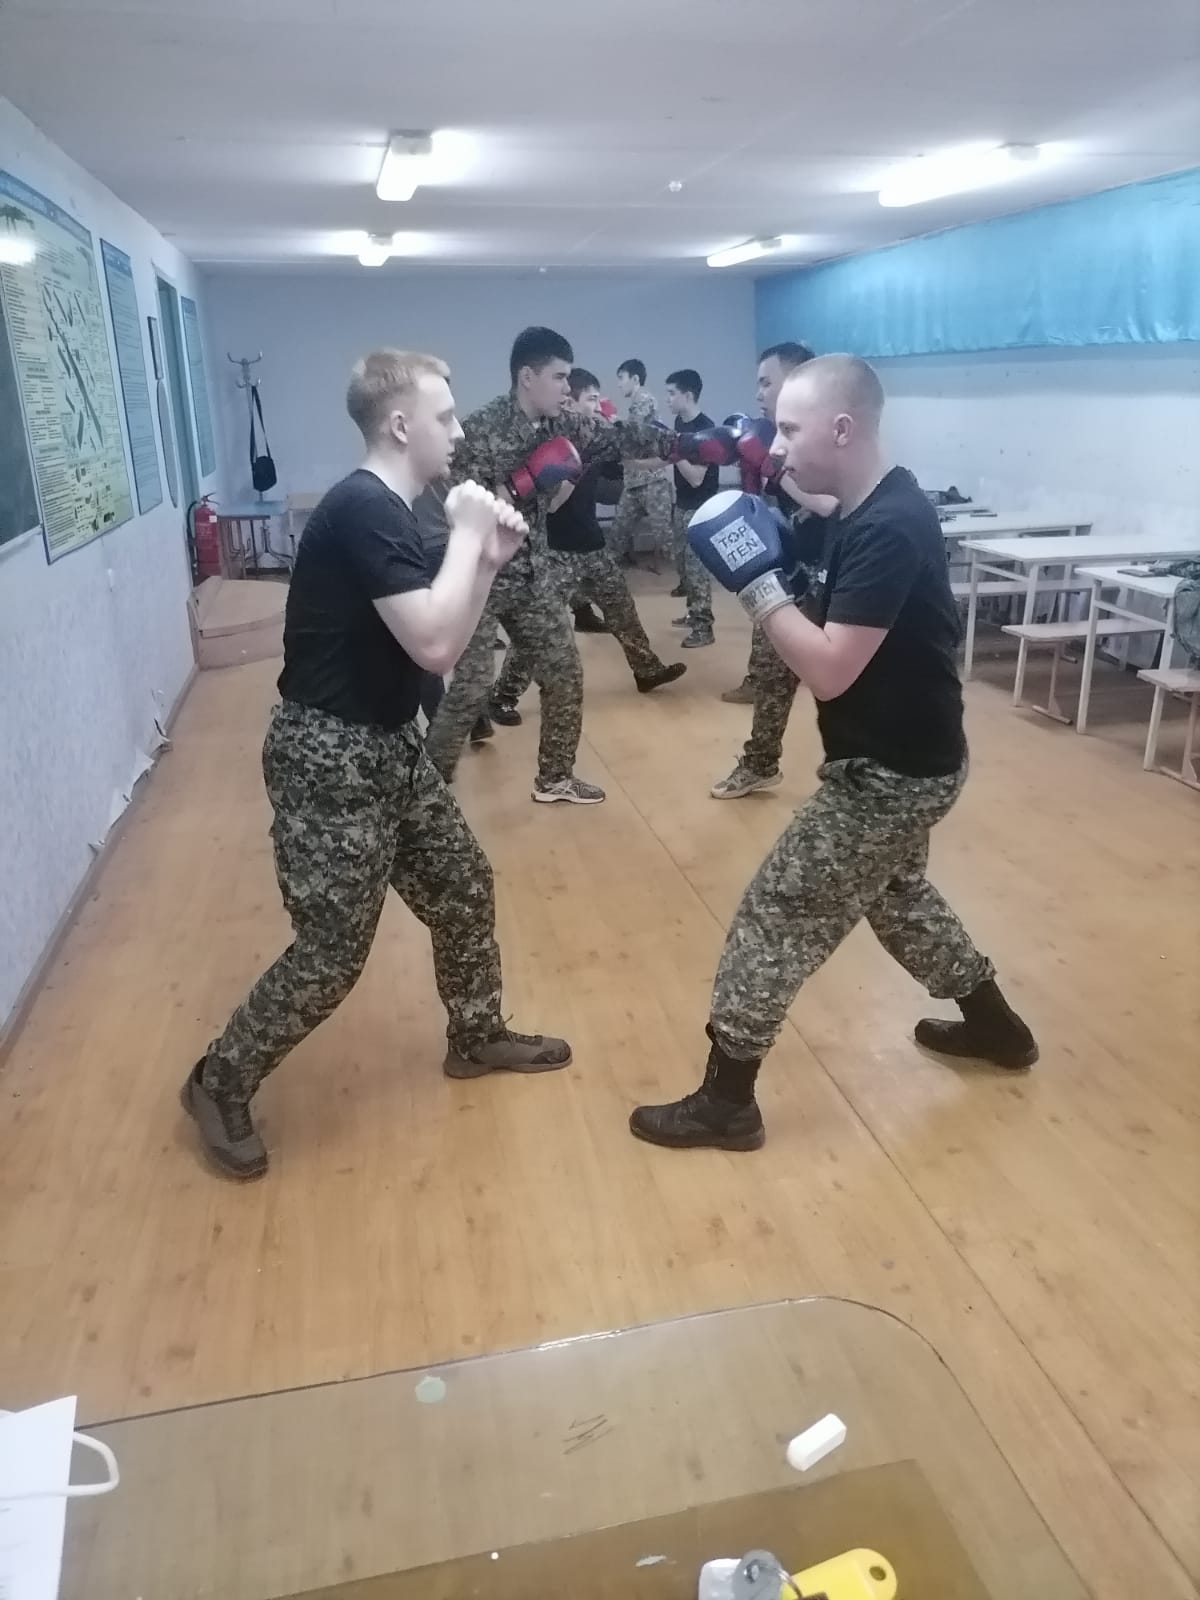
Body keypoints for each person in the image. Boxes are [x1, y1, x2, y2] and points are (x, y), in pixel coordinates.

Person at [630, 354, 1037, 1152]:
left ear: (842, 429)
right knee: (898, 898)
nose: (776, 446)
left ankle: (726, 1101)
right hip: (907, 756)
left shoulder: (887, 527)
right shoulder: (864, 509)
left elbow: (827, 669)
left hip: (889, 775)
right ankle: (998, 1028)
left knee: (775, 914)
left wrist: (757, 584)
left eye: (790, 428)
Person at [181, 350, 571, 1180]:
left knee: (463, 885)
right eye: (445, 417)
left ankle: (475, 1034)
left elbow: (445, 644)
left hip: (387, 745)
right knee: (333, 952)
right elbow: (433, 641)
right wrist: (469, 536)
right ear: (400, 425)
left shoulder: (391, 509)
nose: (458, 432)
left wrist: (484, 562)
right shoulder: (363, 509)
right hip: (328, 757)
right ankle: (219, 1079)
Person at [424, 327, 677, 805]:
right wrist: (520, 484)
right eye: (559, 377)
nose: (566, 388)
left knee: (564, 674)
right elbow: (457, 507)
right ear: (527, 377)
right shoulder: (480, 431)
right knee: (471, 689)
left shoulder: (563, 424)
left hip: (532, 576)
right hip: (480, 579)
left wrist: (681, 445)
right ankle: (424, 789)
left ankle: (555, 778)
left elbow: (619, 436)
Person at [492, 368, 686, 711]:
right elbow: (552, 505)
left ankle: (647, 670)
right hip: (556, 552)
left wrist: (679, 452)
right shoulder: (548, 446)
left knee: (623, 612)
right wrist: (573, 467)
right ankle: (503, 696)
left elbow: (634, 463)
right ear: (571, 402)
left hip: (593, 546)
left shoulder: (595, 440)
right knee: (539, 629)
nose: (598, 406)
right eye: (592, 399)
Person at [711, 341, 839, 800]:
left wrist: (774, 469)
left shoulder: (829, 434)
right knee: (771, 672)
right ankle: (760, 764)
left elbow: (830, 504)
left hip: (840, 579)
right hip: (795, 571)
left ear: (797, 381)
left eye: (767, 382)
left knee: (844, 686)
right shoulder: (779, 437)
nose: (759, 393)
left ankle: (855, 776)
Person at [665, 368, 719, 648]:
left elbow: (697, 478)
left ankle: (703, 627)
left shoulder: (706, 431)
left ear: (687, 395)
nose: (668, 399)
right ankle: (692, 612)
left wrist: (675, 452)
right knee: (682, 565)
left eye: (671, 393)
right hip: (682, 504)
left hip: (701, 508)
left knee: (697, 570)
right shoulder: (679, 423)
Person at [607, 358, 674, 567]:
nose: (619, 384)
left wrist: (614, 422)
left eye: (621, 378)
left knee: (665, 538)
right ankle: (606, 576)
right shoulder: (637, 404)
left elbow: (637, 435)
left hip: (651, 481)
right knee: (618, 533)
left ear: (635, 379)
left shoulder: (644, 399)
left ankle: (693, 574)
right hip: (634, 481)